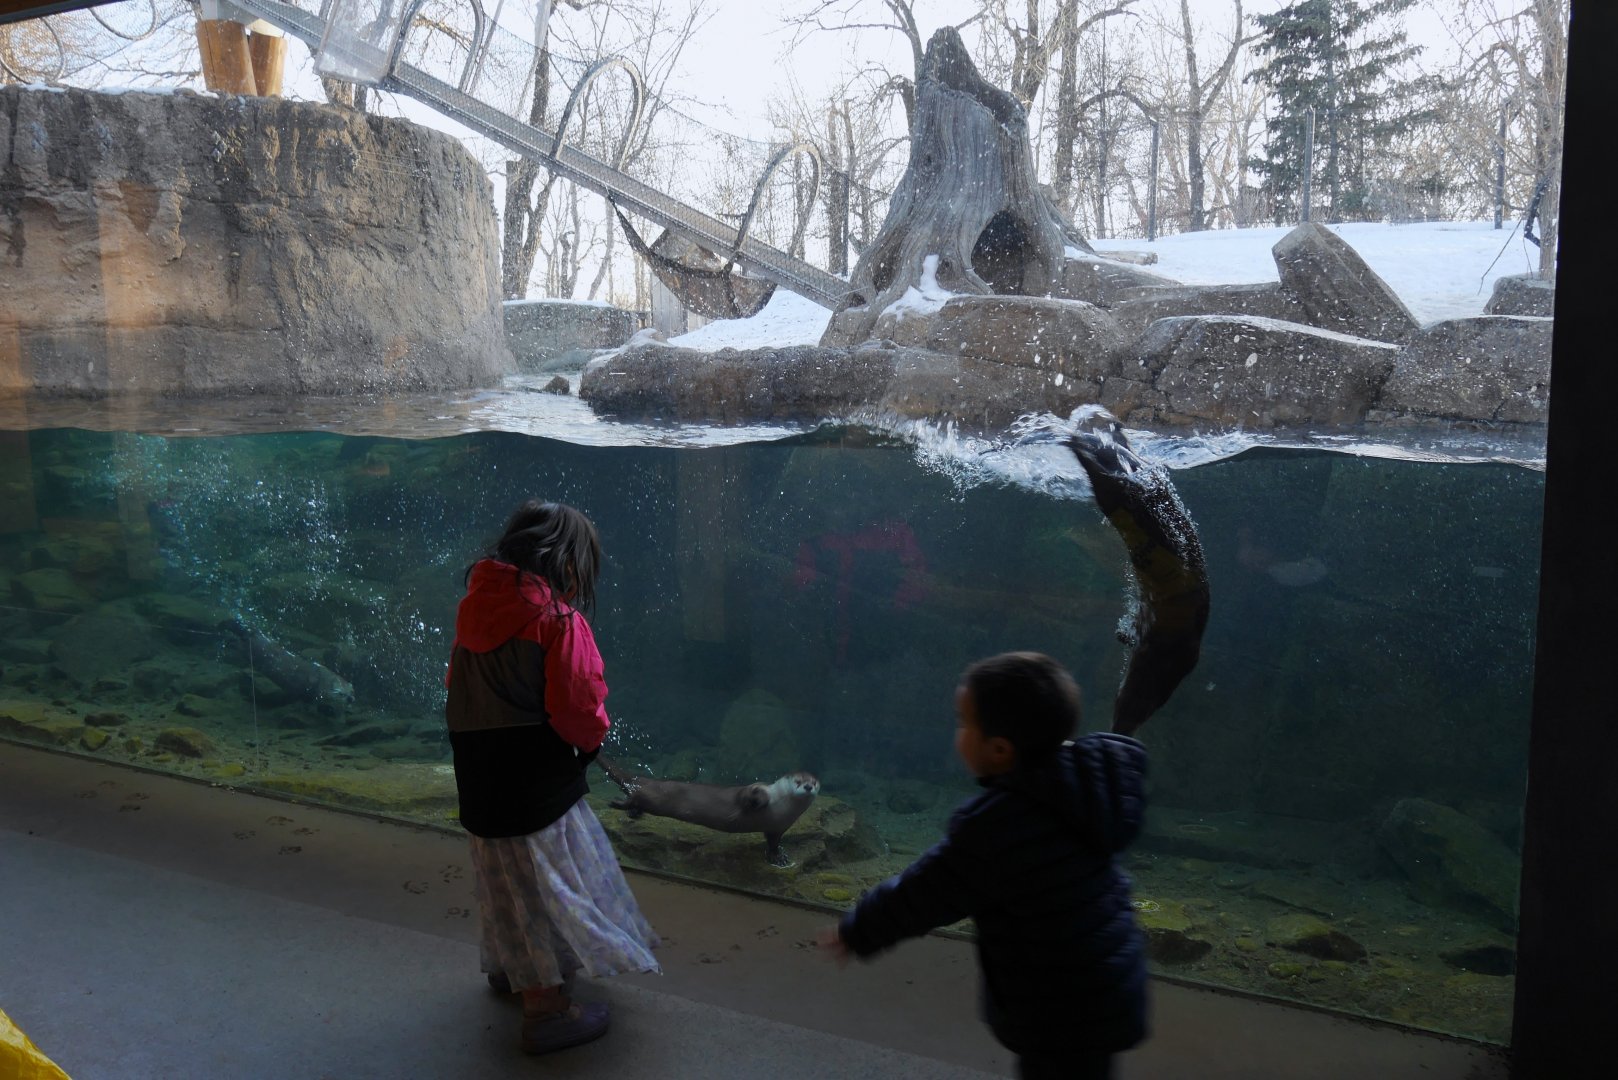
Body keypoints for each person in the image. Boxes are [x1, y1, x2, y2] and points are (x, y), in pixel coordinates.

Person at [818, 651, 1149, 1080]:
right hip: (1111, 986)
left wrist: (861, 928)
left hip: (1055, 1007)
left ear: (998, 749)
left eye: (963, 722)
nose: (957, 733)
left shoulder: (997, 826)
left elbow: (926, 892)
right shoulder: (1086, 791)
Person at [444, 499, 660, 1055]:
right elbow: (578, 706)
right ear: (567, 563)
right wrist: (591, 743)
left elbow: (456, 684)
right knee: (547, 884)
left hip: (478, 774)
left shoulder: (472, 611)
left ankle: (511, 969)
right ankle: (547, 1009)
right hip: (535, 781)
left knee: (503, 876)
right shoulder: (558, 621)